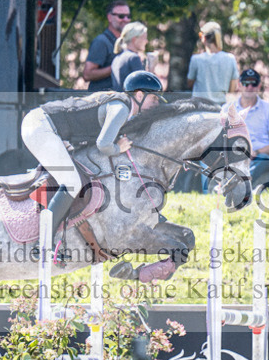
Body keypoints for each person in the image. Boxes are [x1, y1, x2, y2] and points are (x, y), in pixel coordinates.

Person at [22, 70, 166, 250]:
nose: (157, 103)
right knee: (72, 183)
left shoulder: (122, 107)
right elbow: (103, 145)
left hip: (45, 126)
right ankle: (42, 243)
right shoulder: (122, 108)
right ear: (139, 95)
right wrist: (118, 148)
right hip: (40, 127)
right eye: (154, 98)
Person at [232, 68, 269, 183]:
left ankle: (238, 183)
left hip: (260, 157)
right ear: (239, 85)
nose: (250, 87)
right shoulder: (228, 109)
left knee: (265, 159)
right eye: (246, 83)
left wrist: (256, 152)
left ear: (259, 86)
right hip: (235, 156)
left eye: (253, 83)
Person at [83, 0, 130, 91]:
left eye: (128, 16)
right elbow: (87, 74)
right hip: (101, 101)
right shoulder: (101, 42)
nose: (126, 20)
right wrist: (116, 67)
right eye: (121, 16)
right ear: (109, 17)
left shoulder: (125, 43)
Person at [187, 21, 238, 105]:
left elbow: (190, 83)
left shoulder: (196, 59)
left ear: (203, 38)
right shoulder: (230, 58)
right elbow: (232, 87)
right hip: (220, 107)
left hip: (200, 107)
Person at [110, 21, 156, 90]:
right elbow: (145, 89)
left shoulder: (117, 58)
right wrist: (151, 67)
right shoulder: (133, 58)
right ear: (134, 39)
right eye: (144, 38)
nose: (146, 41)